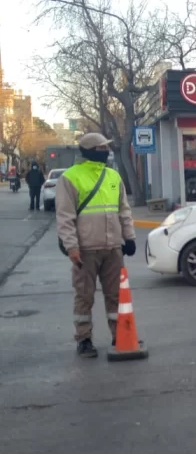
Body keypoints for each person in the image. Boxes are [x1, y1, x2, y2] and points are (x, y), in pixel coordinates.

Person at [56, 133, 137, 358]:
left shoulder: (113, 176)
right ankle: (84, 340)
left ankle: (120, 334)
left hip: (113, 248)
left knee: (116, 296)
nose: (106, 152)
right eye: (102, 148)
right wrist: (71, 247)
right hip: (85, 250)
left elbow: (123, 210)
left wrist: (129, 238)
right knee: (85, 296)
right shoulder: (70, 177)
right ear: (90, 150)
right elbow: (65, 216)